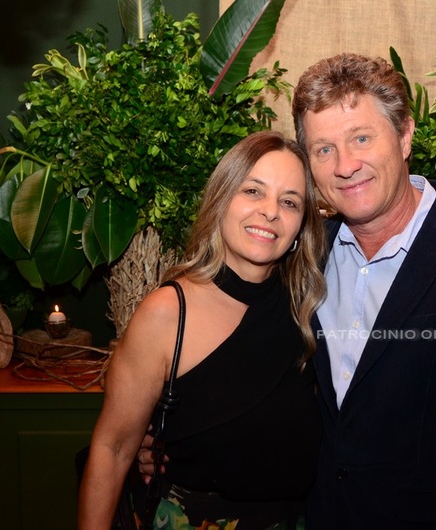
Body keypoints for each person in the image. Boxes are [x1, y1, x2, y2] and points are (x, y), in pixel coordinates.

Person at [141, 53, 436, 529]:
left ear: (405, 135)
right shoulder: (303, 254)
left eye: (361, 138)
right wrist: (166, 434)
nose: (345, 166)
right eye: (324, 150)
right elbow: (242, 362)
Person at [78, 130, 327, 530]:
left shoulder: (309, 306)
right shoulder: (167, 313)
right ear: (221, 199)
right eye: (253, 191)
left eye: (289, 201)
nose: (270, 212)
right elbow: (114, 448)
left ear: (302, 225)